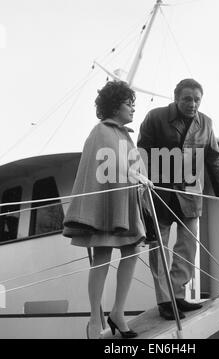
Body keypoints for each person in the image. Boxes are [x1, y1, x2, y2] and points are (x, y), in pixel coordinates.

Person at [137, 78, 219, 320]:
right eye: (187, 99)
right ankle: (165, 301)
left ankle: (178, 295)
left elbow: (213, 158)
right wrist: (144, 181)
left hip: (190, 192)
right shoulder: (155, 117)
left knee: (187, 247)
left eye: (197, 100)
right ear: (176, 97)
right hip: (159, 191)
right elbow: (141, 151)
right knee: (159, 248)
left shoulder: (206, 123)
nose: (193, 104)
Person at [63, 81, 151, 339]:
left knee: (132, 251)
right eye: (128, 103)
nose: (133, 108)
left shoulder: (125, 135)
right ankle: (94, 318)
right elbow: (109, 165)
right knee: (102, 254)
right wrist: (136, 174)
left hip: (124, 201)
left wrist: (141, 177)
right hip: (106, 203)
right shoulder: (101, 131)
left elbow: (132, 165)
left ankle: (118, 313)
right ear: (114, 106)